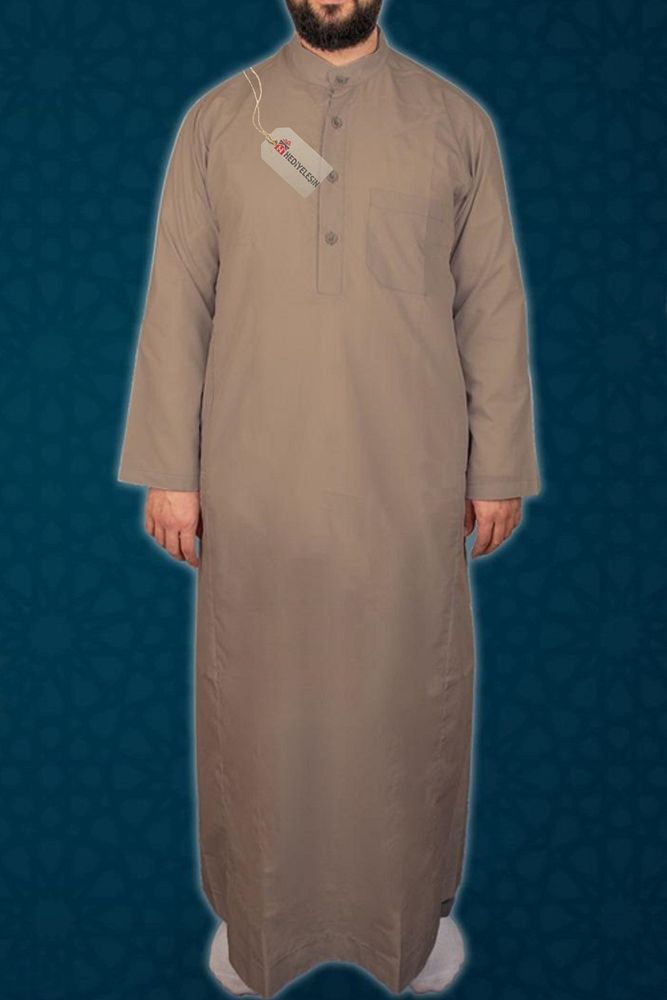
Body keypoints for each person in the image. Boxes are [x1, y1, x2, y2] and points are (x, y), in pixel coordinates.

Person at [116, 1, 541, 995]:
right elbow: (178, 296)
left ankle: (406, 923)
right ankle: (261, 925)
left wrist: (497, 465)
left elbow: (490, 299)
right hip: (255, 479)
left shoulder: (453, 122)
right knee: (260, 706)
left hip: (408, 479)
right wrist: (171, 468)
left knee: (404, 695)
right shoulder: (223, 120)